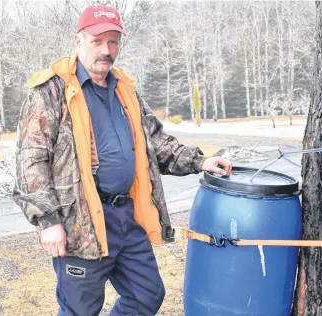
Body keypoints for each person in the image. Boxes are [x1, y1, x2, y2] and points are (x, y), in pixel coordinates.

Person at [13, 5, 232, 316]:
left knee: (147, 295)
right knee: (80, 309)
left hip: (126, 218)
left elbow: (156, 142)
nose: (106, 50)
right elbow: (30, 161)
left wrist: (200, 161)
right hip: (81, 223)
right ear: (79, 40)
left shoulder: (124, 90)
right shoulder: (50, 92)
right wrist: (47, 222)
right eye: (98, 41)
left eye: (113, 41)